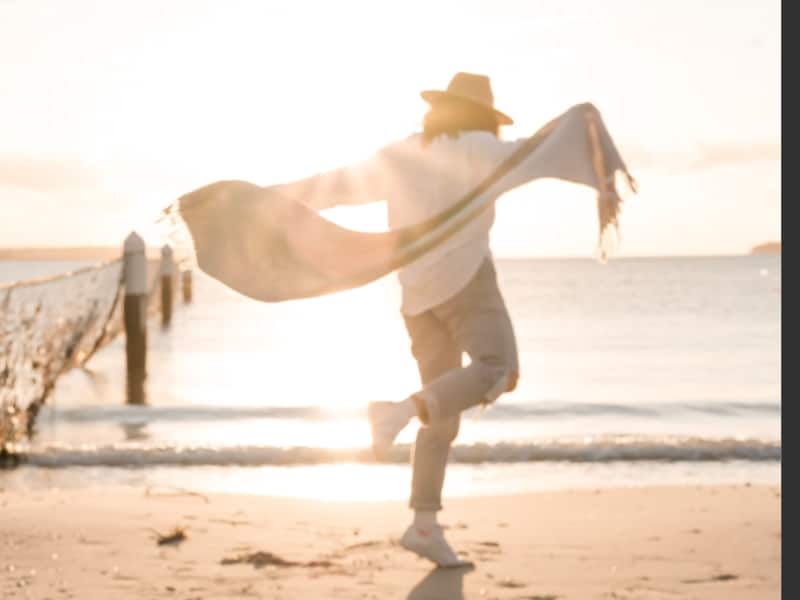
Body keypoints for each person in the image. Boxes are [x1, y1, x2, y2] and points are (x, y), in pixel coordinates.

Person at [274, 72, 553, 567]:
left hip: (416, 299)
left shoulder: (404, 152)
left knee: (441, 415)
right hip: (468, 281)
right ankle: (396, 411)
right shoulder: (481, 149)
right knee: (499, 369)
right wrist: (589, 137)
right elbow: (540, 155)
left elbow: (337, 186)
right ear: (482, 118)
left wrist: (274, 198)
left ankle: (424, 526)